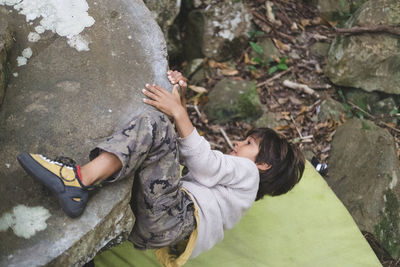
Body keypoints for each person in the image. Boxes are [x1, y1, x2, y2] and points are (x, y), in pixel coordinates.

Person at [17, 70, 305, 266]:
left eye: (249, 143)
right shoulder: (236, 191)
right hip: (159, 230)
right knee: (156, 136)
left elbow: (202, 161)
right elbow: (174, 152)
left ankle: (77, 181)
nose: (238, 144)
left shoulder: (248, 172)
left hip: (173, 217)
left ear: (264, 164)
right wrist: (179, 98)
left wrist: (177, 111)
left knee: (154, 124)